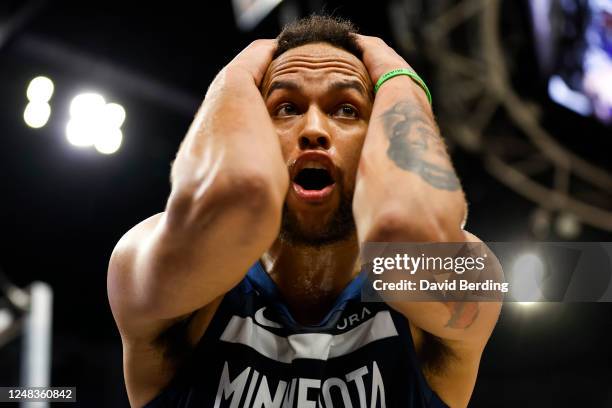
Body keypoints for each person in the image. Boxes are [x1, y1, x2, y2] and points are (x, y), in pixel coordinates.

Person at [107, 15, 502, 408]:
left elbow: (404, 225)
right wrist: (236, 73)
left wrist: (397, 75)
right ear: (253, 128)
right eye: (286, 108)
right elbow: (239, 196)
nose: (314, 128)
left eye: (346, 109)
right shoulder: (141, 262)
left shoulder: (473, 279)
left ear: (379, 136)